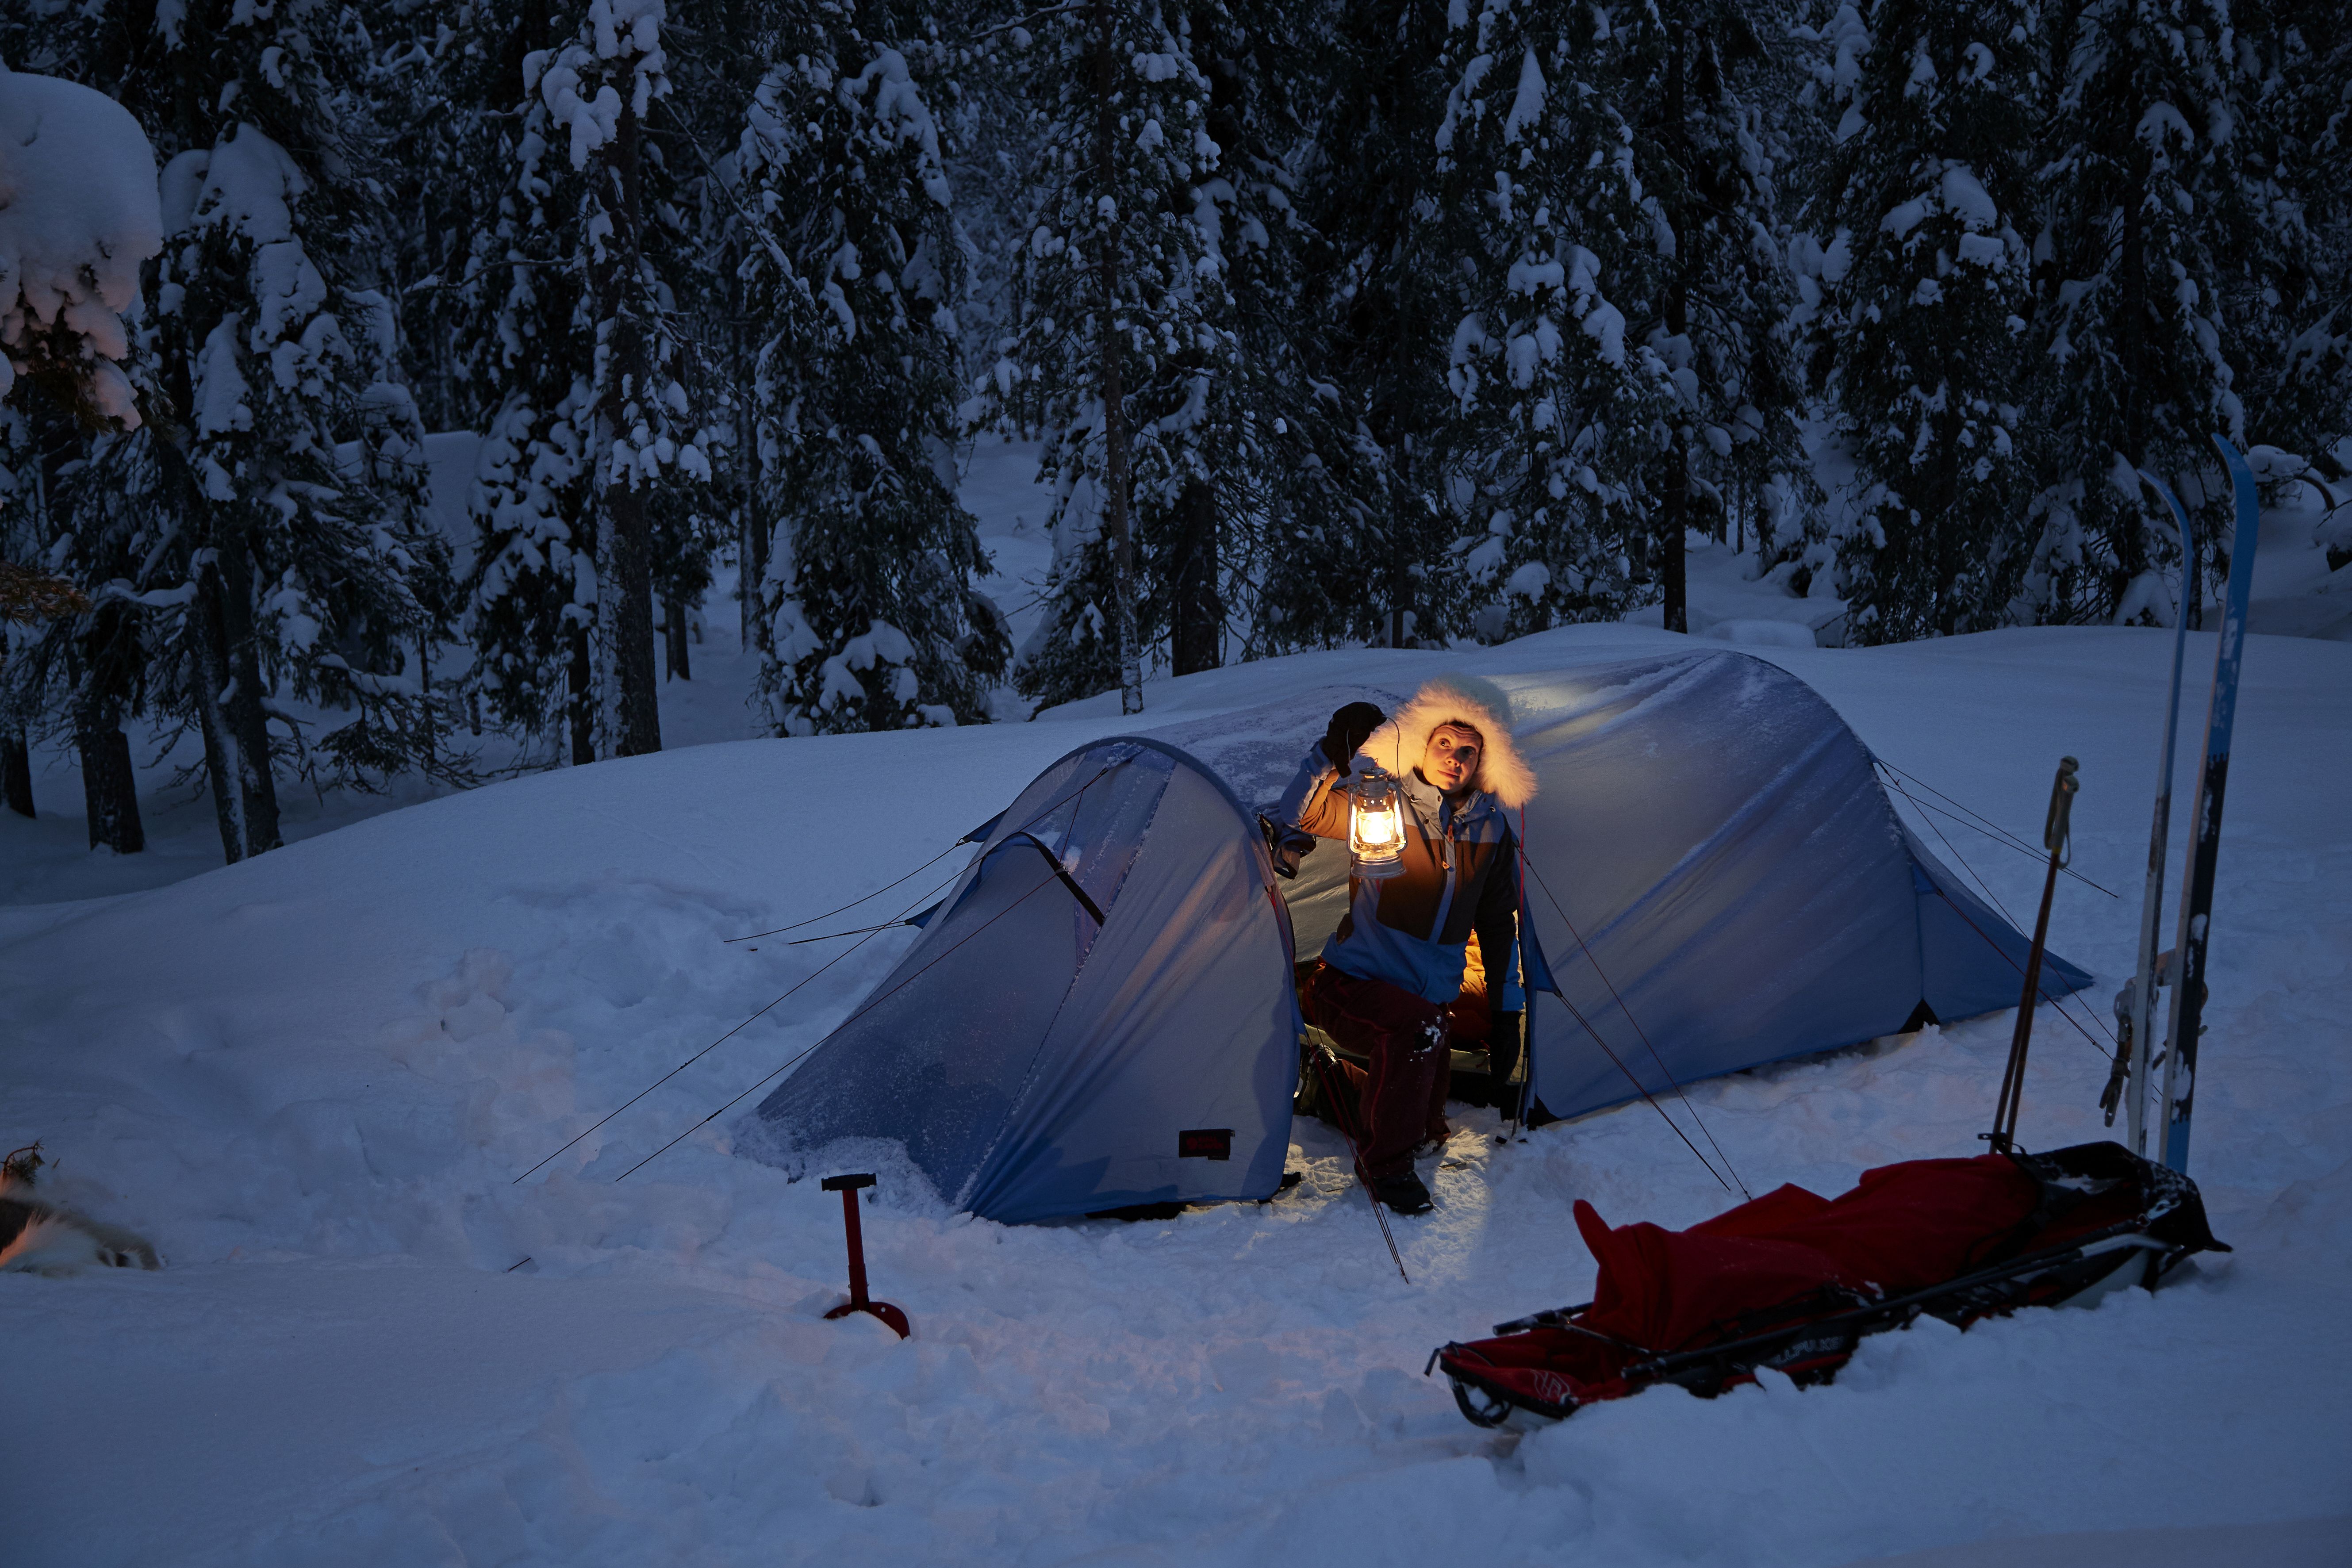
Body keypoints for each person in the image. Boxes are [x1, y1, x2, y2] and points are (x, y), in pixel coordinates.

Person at [1271, 675, 1536, 1214]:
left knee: (1426, 1117)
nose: (1455, 759)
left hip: (1425, 1001)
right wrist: (1329, 753)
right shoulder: (1383, 803)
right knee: (1418, 1034)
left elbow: (1496, 924)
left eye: (1468, 751)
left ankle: (1338, 1086)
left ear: (1485, 761)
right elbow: (1302, 816)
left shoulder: (1492, 832)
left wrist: (1507, 1014)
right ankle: (1383, 1167)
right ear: (1422, 740)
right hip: (1351, 983)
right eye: (1445, 744)